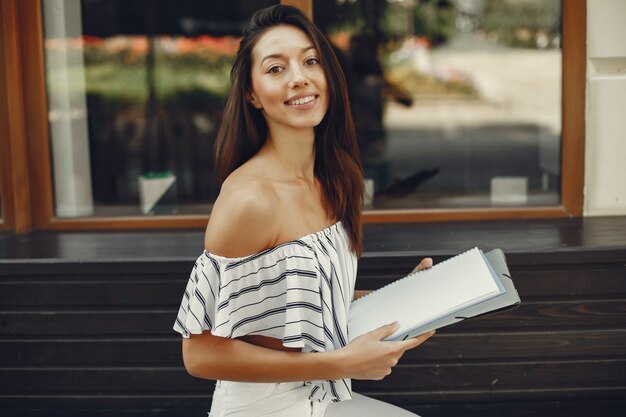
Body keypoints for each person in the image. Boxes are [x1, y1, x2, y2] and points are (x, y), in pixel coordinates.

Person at [173, 5, 435, 417]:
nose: (300, 77)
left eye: (311, 60)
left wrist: (406, 300)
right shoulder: (249, 200)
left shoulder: (336, 178)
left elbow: (304, 299)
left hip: (323, 400)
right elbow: (200, 353)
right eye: (276, 69)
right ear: (251, 94)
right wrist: (341, 363)